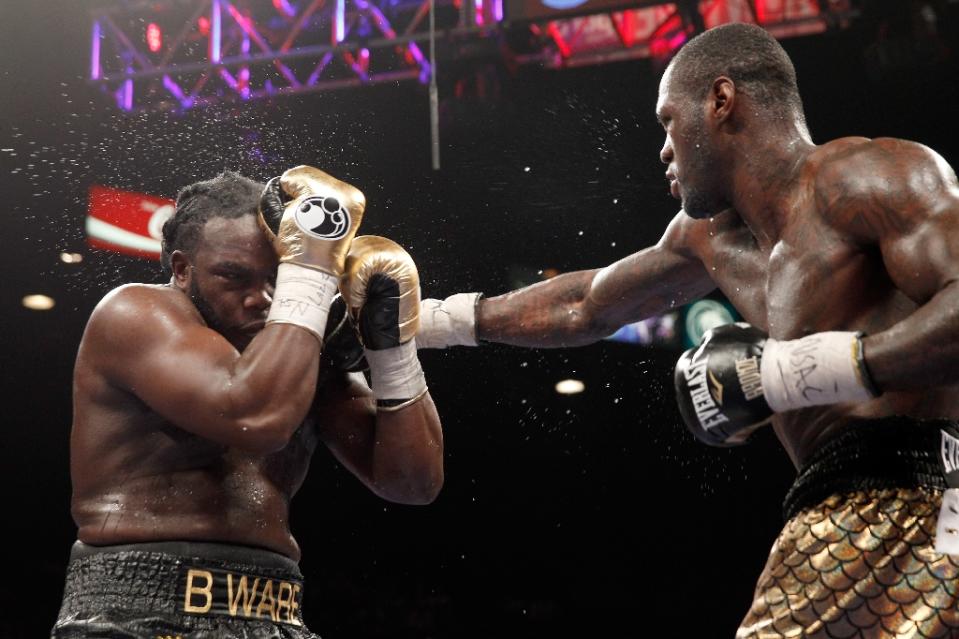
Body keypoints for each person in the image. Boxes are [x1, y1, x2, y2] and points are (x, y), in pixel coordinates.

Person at [415, 22, 959, 637]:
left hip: (913, 482)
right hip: (861, 501)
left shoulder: (866, 177)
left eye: (668, 121)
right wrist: (428, 323)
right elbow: (586, 306)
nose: (664, 150)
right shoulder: (710, 239)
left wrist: (799, 372)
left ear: (721, 101)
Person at [52, 167, 444, 638]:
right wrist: (313, 268)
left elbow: (412, 483)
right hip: (135, 613)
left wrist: (391, 351)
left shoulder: (295, 355)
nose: (261, 298)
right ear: (182, 269)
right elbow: (254, 416)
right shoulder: (134, 314)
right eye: (234, 277)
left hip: (278, 614)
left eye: (278, 277)